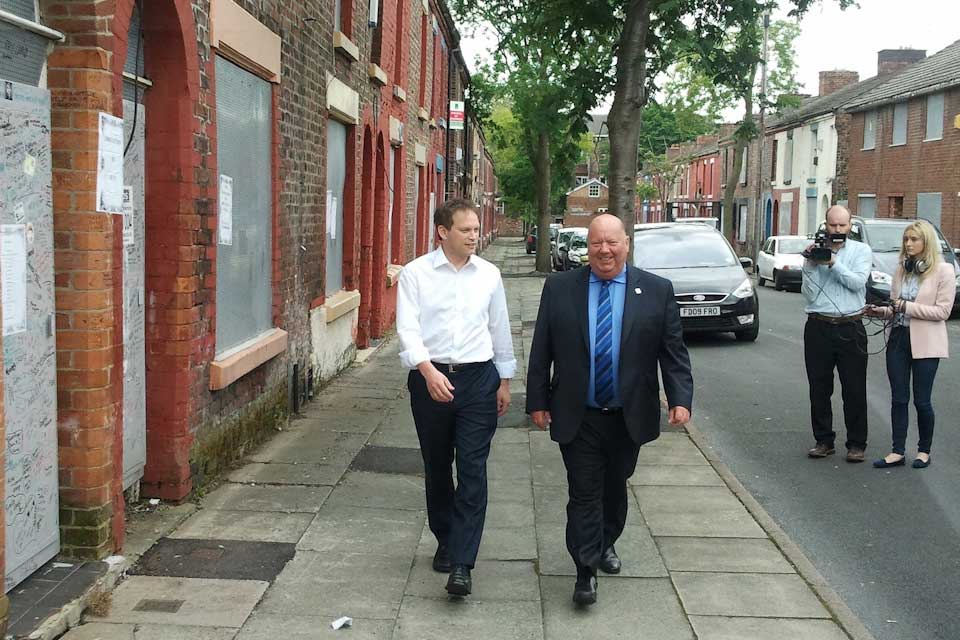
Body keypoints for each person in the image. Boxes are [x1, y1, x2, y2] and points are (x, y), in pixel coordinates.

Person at [526, 214, 692, 606]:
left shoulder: (656, 290)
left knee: (615, 487)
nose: (604, 250)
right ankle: (585, 572)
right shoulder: (560, 288)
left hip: (627, 413)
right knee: (584, 491)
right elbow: (541, 349)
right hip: (577, 412)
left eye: (612, 242)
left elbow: (673, 353)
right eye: (597, 242)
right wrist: (537, 401)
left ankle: (605, 542)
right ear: (589, 246)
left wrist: (680, 398)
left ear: (626, 244)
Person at [396, 199, 515, 598]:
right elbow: (408, 331)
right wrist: (427, 372)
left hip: (479, 379)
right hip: (429, 378)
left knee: (473, 467)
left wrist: (505, 379)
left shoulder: (489, 275)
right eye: (466, 230)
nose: (474, 235)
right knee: (436, 464)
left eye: (476, 229)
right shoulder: (415, 275)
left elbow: (499, 327)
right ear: (442, 232)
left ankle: (463, 562)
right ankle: (445, 537)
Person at [866, 220, 955, 469]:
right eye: (906, 239)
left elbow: (943, 311)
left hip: (926, 342)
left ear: (926, 242)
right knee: (898, 397)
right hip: (898, 338)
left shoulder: (944, 271)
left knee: (922, 400)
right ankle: (897, 451)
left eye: (914, 239)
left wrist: (906, 306)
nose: (908, 244)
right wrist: (878, 311)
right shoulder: (901, 269)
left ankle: (924, 451)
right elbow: (895, 308)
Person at [801, 205, 873, 462]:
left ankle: (856, 444)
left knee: (854, 388)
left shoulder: (861, 251)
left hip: (850, 325)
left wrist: (833, 263)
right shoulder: (816, 251)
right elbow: (808, 293)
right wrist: (810, 263)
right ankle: (823, 440)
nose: (838, 230)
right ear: (826, 225)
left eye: (843, 225)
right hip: (818, 325)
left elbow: (856, 283)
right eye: (833, 225)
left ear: (850, 225)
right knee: (819, 387)